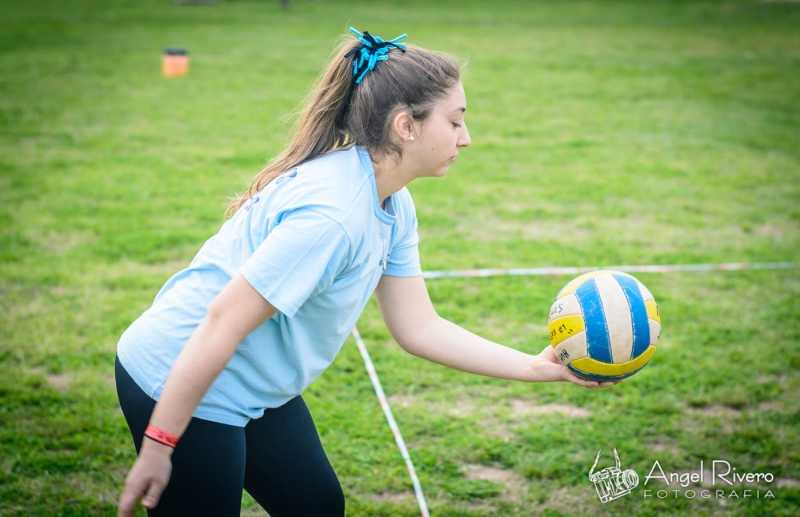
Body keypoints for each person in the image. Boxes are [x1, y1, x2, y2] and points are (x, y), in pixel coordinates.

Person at [115, 27, 612, 517]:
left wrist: (533, 367)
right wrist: (160, 444)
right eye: (455, 122)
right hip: (181, 377)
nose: (467, 139)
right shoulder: (333, 217)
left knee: (316, 506)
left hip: (247, 381)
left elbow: (419, 327)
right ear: (406, 126)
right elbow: (222, 321)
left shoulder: (393, 200)